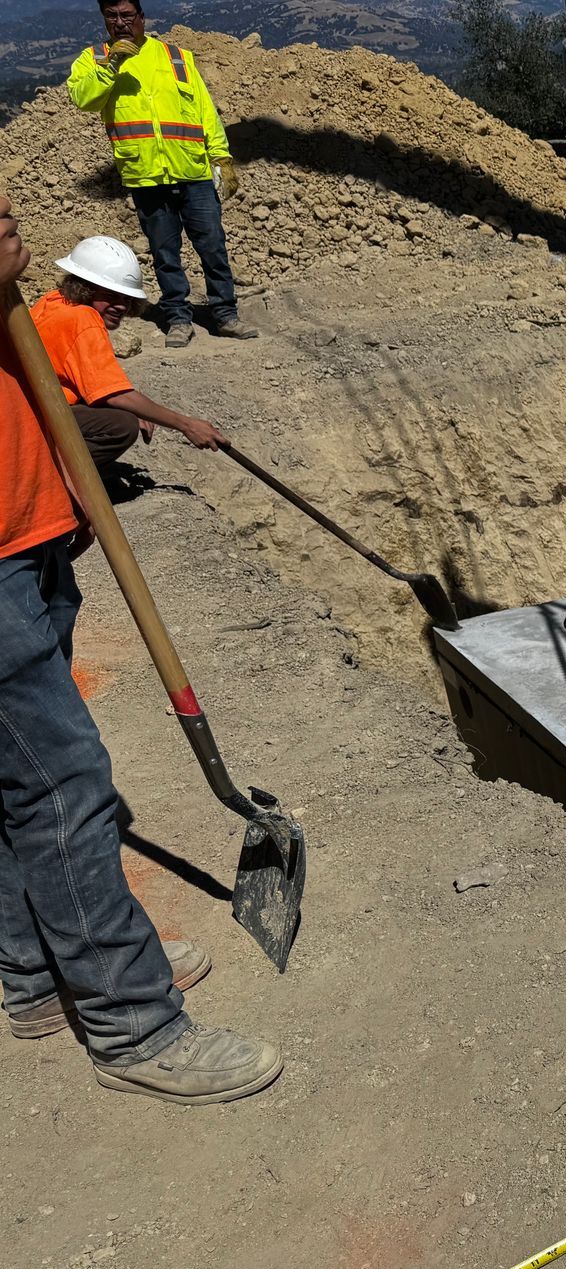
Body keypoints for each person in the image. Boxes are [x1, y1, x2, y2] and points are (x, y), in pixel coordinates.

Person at [0, 191, 282, 1104]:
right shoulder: (60, 308)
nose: (12, 208)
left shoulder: (27, 306)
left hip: (31, 534)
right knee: (64, 785)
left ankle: (40, 976)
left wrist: (65, 499)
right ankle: (131, 1021)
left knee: (19, 782)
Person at [67, 0, 256, 349]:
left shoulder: (176, 56)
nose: (120, 23)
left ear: (141, 18)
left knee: (212, 246)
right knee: (165, 253)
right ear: (104, 19)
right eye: (112, 16)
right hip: (146, 176)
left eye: (127, 15)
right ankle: (178, 319)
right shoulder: (93, 59)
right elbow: (84, 100)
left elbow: (204, 109)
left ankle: (225, 314)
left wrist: (221, 156)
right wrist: (112, 66)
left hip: (193, 171)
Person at [31, 235, 226, 471]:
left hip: (26, 406)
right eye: (111, 296)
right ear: (84, 288)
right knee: (121, 426)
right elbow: (115, 395)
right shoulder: (83, 319)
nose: (121, 306)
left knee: (121, 411)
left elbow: (90, 382)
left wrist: (126, 404)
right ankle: (45, 478)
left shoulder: (54, 301)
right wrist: (186, 424)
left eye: (126, 298)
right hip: (30, 416)